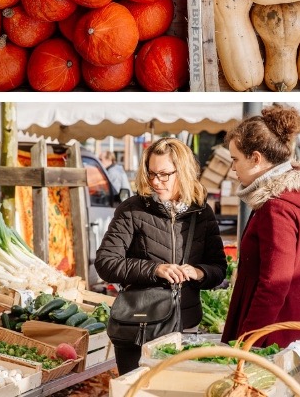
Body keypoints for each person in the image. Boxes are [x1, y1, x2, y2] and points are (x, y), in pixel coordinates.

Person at [221, 105, 300, 376]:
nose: (232, 168)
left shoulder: (277, 207)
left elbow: (275, 283)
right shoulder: (292, 195)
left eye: (235, 159)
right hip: (298, 316)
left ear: (256, 159)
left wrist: (248, 339)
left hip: (280, 329)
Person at [95, 137, 228, 375]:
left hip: (184, 327)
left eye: (165, 174)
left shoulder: (202, 213)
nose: (156, 181)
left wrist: (199, 272)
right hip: (139, 327)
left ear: (184, 172)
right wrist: (155, 269)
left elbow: (218, 268)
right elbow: (106, 263)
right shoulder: (132, 209)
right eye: (152, 173)